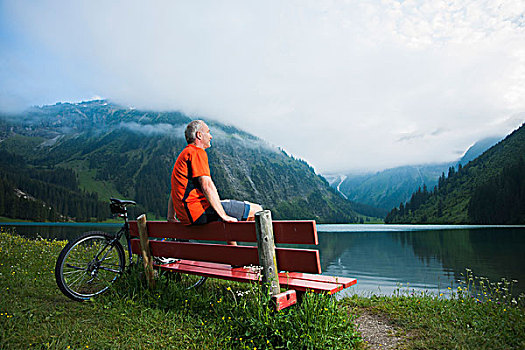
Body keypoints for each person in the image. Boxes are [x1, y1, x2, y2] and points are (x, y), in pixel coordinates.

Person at [167, 120, 262, 243]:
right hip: (198, 213)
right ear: (199, 135)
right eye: (208, 132)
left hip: (187, 216)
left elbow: (174, 190)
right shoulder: (196, 152)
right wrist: (223, 215)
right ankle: (265, 258)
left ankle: (236, 258)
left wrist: (171, 216)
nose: (211, 136)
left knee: (226, 209)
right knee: (258, 210)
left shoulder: (183, 155)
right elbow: (207, 186)